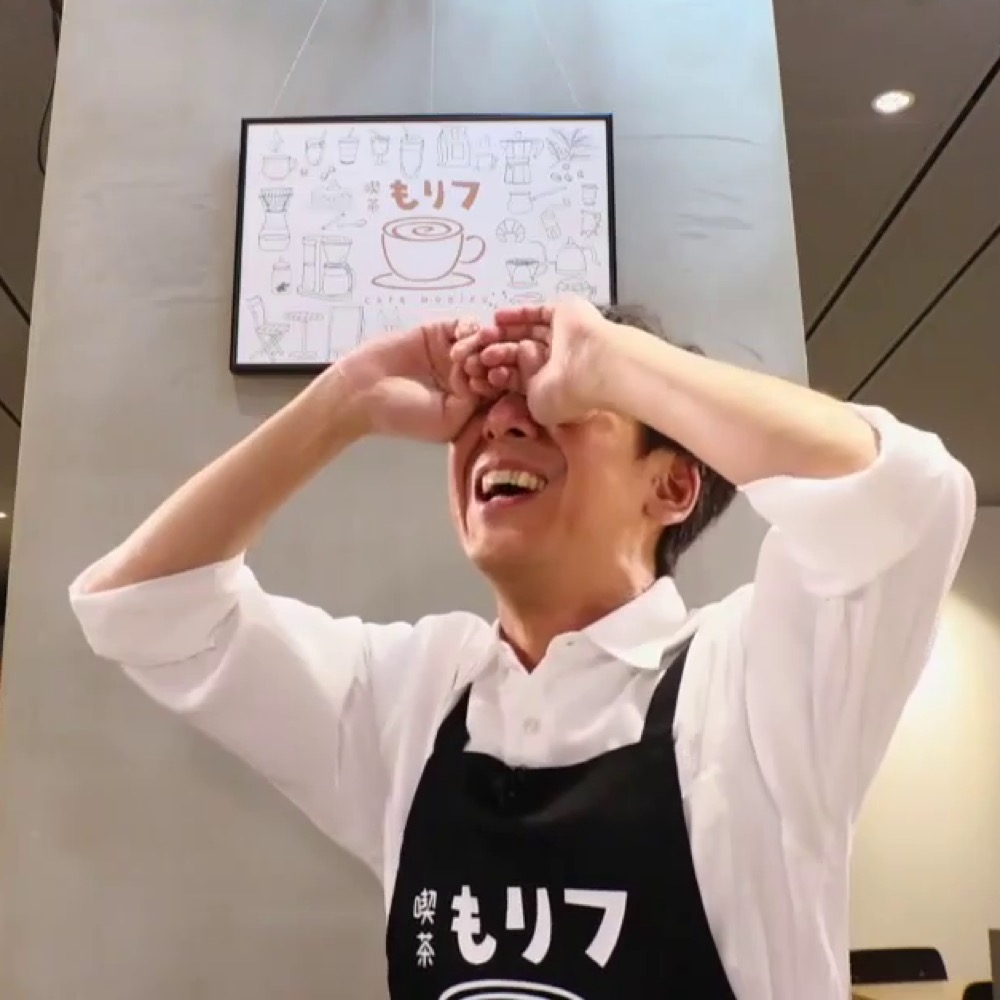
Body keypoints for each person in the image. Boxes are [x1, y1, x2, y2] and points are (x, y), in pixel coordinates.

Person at [70, 299, 975, 999]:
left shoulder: (752, 679)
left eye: (561, 406)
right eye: (489, 409)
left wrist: (616, 362)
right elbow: (138, 606)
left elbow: (912, 496)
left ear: (672, 486)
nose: (503, 424)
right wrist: (346, 399)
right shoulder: (415, 697)